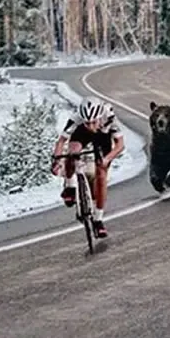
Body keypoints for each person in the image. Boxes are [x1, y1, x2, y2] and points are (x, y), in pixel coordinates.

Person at [51, 97, 125, 238]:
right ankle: (70, 186)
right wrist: (56, 161)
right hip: (81, 134)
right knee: (72, 152)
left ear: (99, 117)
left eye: (93, 122)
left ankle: (98, 220)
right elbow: (61, 142)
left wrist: (107, 158)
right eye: (87, 123)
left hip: (103, 135)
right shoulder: (77, 118)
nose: (91, 125)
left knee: (101, 174)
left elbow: (120, 145)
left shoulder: (109, 117)